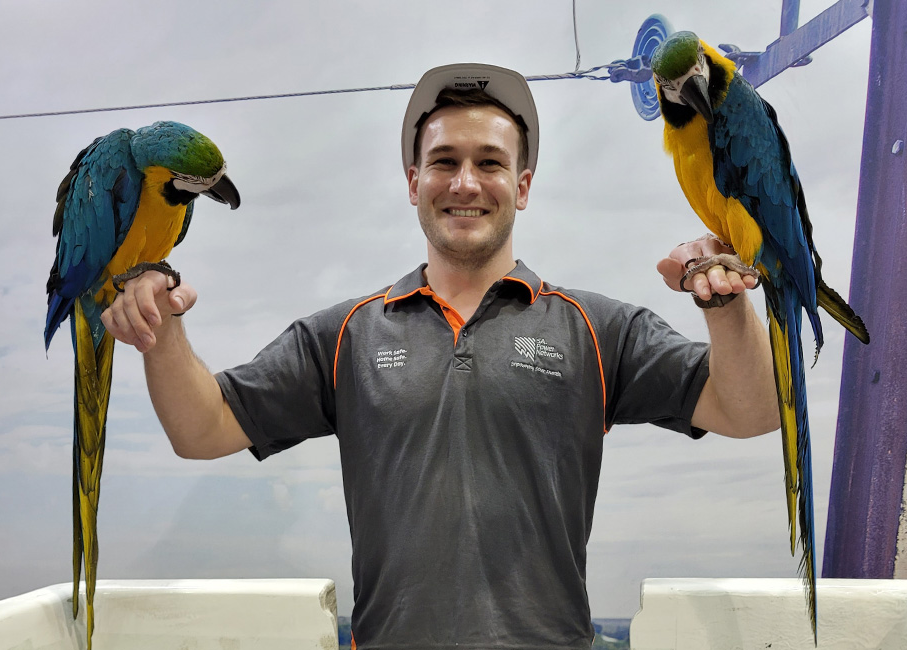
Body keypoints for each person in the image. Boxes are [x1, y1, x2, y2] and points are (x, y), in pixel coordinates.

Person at [102, 63, 779, 650]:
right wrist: (159, 325)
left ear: (522, 186)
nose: (464, 182)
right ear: (413, 181)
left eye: (489, 162)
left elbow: (748, 411)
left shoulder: (596, 329)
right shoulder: (344, 336)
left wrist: (722, 303)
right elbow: (202, 428)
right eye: (445, 162)